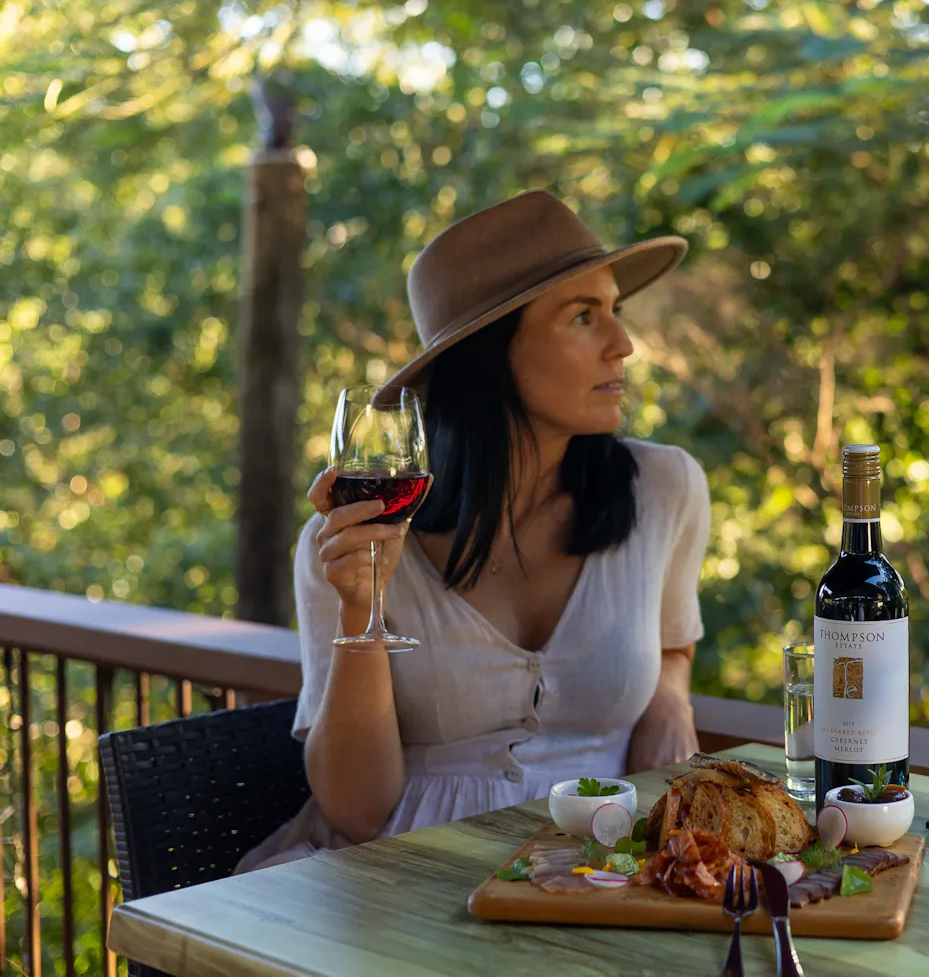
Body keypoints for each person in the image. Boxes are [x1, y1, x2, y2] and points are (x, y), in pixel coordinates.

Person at [237, 191, 708, 871]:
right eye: (583, 316)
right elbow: (357, 810)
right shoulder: (352, 541)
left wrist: (669, 693)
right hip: (397, 880)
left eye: (616, 310)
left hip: (596, 874)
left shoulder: (666, 489)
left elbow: (672, 643)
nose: (623, 344)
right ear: (492, 356)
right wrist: (362, 604)